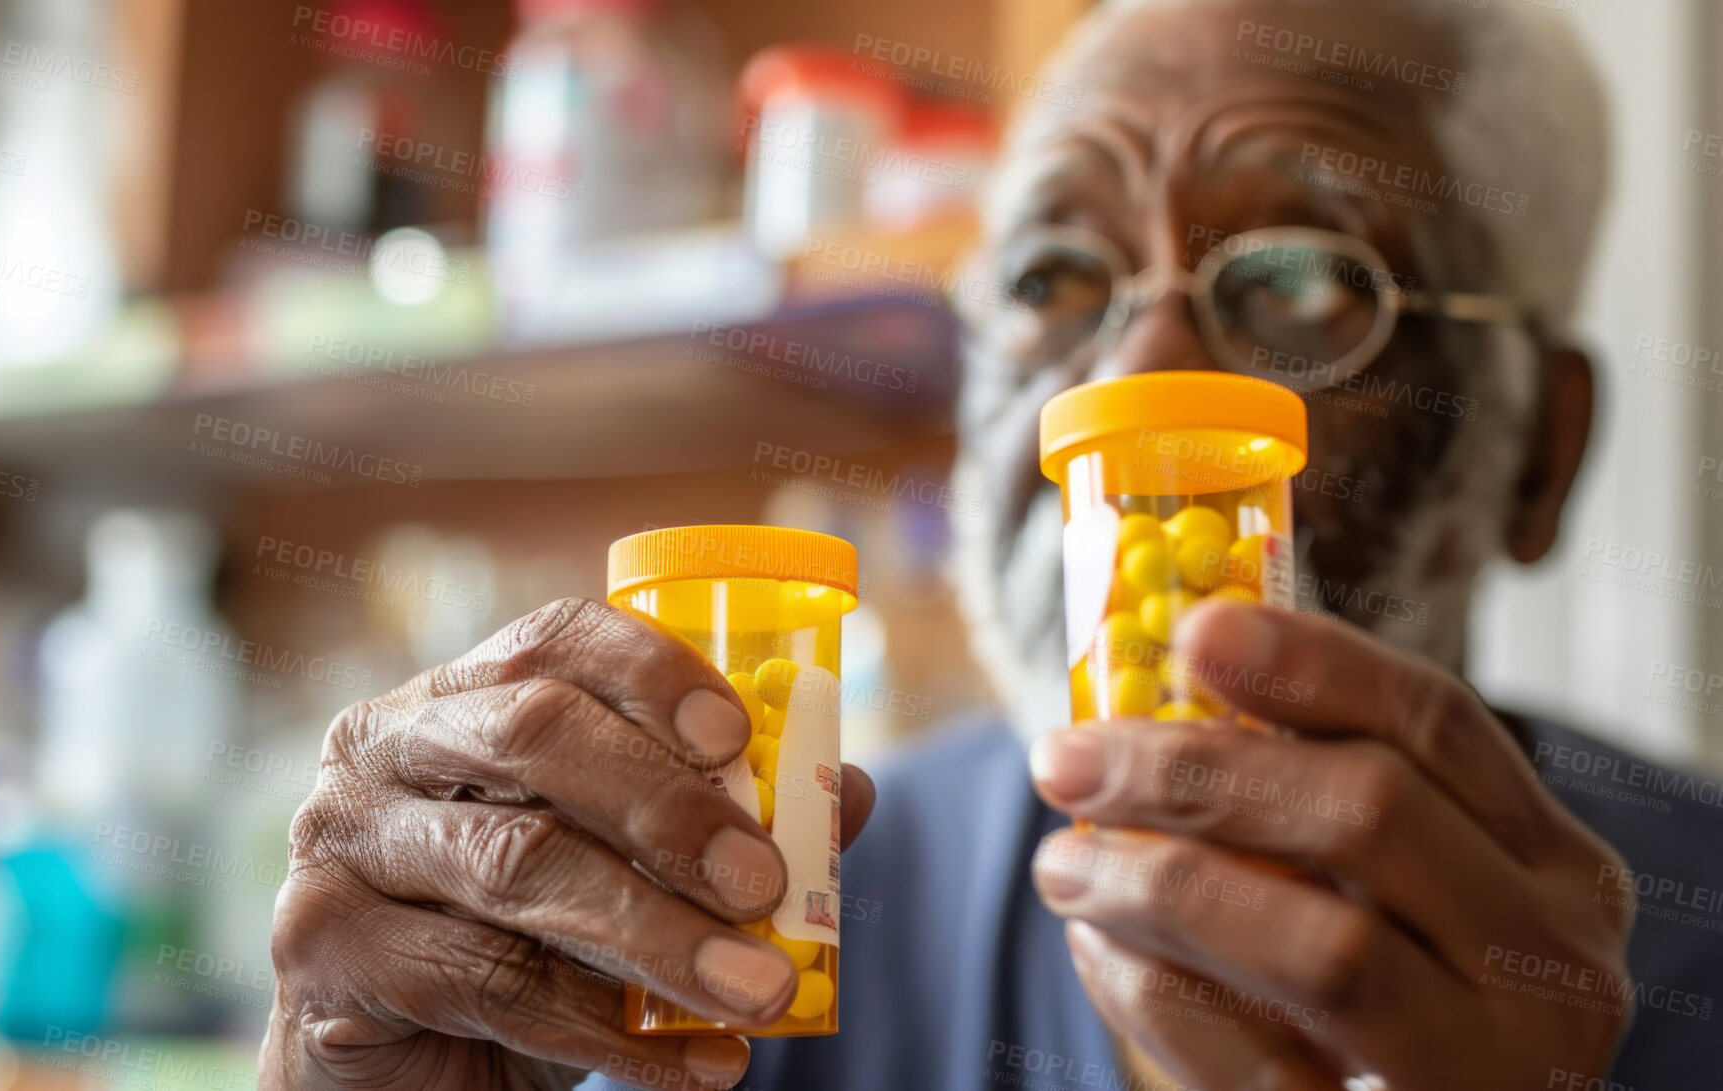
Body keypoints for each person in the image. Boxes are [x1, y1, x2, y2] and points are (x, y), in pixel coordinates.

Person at [257, 1, 1723, 1088]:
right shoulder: (775, 897)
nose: (1124, 381)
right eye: (1051, 275)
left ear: (1538, 452)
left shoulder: (1697, 942)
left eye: (1300, 283)